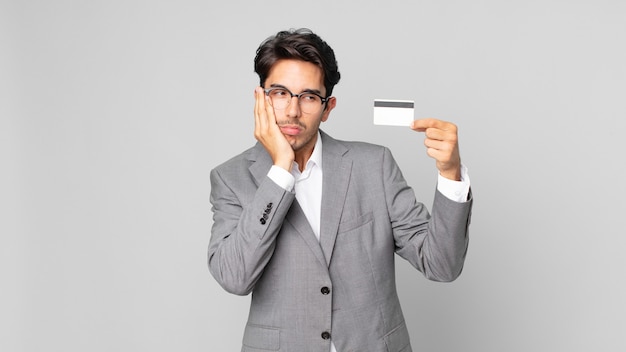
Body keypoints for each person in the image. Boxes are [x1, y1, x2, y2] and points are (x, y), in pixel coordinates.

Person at [208, 28, 473, 352]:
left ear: (328, 106)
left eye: (308, 96)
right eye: (280, 93)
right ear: (261, 99)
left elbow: (441, 264)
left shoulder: (374, 165)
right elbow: (235, 276)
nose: (292, 111)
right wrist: (280, 170)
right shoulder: (230, 178)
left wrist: (450, 173)